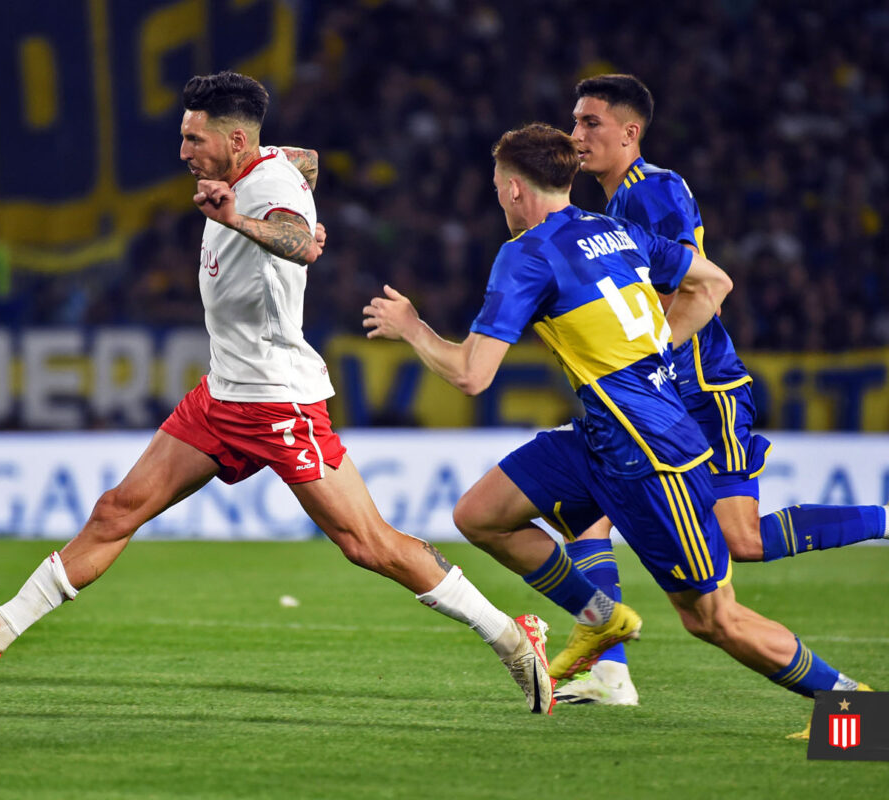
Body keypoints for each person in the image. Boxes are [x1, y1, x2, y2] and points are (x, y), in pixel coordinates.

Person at [0, 71, 556, 715]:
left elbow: (298, 240)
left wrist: (248, 222)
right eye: (184, 138)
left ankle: (508, 636)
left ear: (236, 140)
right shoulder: (270, 163)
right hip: (223, 396)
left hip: (278, 401)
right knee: (117, 509)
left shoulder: (264, 189)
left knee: (368, 544)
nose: (184, 152)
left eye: (194, 140)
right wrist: (273, 208)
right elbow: (308, 161)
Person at [363, 122, 869, 732]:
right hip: (604, 437)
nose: (499, 199)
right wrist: (655, 347)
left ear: (518, 190)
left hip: (653, 458)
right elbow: (714, 282)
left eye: (499, 187)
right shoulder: (615, 230)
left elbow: (472, 376)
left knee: (712, 618)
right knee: (480, 515)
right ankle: (600, 616)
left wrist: (413, 326)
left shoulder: (525, 253)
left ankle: (857, 711)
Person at [552, 74, 887, 709]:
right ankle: (610, 671)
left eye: (590, 122)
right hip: (652, 401)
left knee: (743, 544)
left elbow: (694, 287)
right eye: (574, 121)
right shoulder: (603, 212)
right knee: (585, 503)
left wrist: (650, 357)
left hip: (704, 393)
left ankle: (857, 703)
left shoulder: (657, 190)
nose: (576, 134)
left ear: (630, 132)